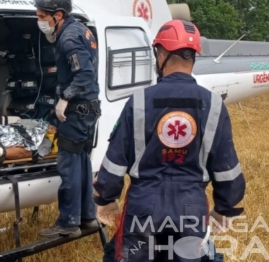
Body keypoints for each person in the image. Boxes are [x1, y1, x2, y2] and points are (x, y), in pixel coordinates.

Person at [93, 19, 246, 261]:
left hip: (143, 207)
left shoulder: (139, 101)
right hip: (191, 208)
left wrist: (106, 198)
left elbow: (114, 160)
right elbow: (227, 169)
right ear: (193, 56)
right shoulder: (214, 104)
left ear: (161, 53)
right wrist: (225, 208)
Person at [33, 0, 102, 238]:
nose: (38, 21)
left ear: (58, 15)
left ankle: (68, 222)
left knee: (69, 165)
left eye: (42, 16)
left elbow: (84, 73)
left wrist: (65, 97)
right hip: (88, 109)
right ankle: (88, 217)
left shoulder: (69, 37)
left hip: (76, 111)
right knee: (82, 163)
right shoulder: (81, 29)